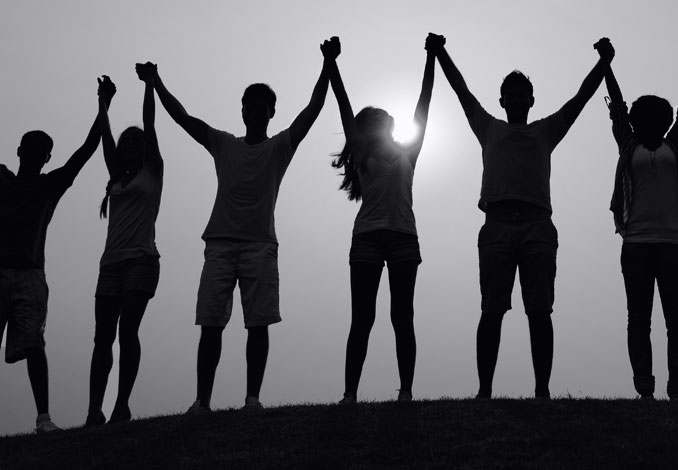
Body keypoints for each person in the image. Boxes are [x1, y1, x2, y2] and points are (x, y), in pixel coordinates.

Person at [147, 38, 333, 413]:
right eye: (250, 107)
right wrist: (156, 82)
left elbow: (313, 109)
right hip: (219, 244)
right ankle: (202, 401)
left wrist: (328, 63)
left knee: (258, 324)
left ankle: (252, 399)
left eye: (261, 108)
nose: (254, 113)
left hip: (260, 246)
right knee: (211, 325)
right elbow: (183, 119)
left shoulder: (279, 147)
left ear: (271, 113)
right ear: (243, 110)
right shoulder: (223, 143)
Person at [436, 35, 613, 399]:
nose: (516, 99)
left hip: (537, 226)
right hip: (497, 224)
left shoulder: (545, 130)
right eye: (510, 94)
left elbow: (580, 99)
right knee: (492, 310)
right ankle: (484, 390)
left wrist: (604, 61)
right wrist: (441, 53)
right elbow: (461, 91)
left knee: (539, 310)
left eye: (522, 94)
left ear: (531, 100)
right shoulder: (488, 127)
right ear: (502, 100)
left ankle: (542, 391)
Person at [0, 76, 111, 443]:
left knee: (34, 346)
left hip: (28, 274)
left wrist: (104, 104)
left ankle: (43, 418)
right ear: (21, 150)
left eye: (42, 149)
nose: (36, 153)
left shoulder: (48, 186)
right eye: (32, 147)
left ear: (46, 158)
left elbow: (87, 150)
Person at [602, 25, 678, 402]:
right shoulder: (628, 143)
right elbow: (616, 103)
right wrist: (606, 64)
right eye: (645, 114)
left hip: (673, 244)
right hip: (635, 243)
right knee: (639, 320)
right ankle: (645, 389)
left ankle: (677, 387)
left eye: (660, 115)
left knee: (677, 320)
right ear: (636, 119)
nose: (655, 119)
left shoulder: (675, 144)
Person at [329, 34, 438, 404]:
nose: (392, 120)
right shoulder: (362, 152)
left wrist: (431, 58)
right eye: (385, 118)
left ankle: (406, 392)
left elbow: (424, 105)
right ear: (373, 128)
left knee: (401, 318)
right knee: (362, 320)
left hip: (404, 237)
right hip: (368, 239)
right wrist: (332, 63)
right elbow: (343, 107)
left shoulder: (409, 152)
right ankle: (349, 394)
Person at [85, 63, 164, 426]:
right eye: (127, 142)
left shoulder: (153, 172)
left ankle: (121, 406)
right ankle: (93, 411)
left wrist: (149, 85)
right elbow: (105, 135)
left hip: (141, 261)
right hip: (110, 264)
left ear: (146, 149)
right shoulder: (116, 178)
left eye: (138, 142)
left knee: (126, 330)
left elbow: (149, 124)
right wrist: (104, 101)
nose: (131, 144)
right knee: (102, 338)